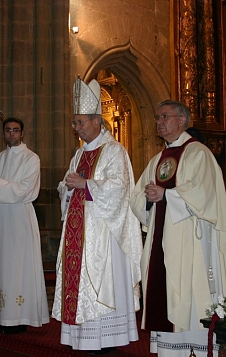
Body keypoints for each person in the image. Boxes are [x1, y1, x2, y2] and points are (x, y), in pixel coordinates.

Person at [129, 100, 226, 357]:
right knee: (163, 285)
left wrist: (167, 196)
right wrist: (148, 197)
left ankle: (195, 349)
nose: (159, 122)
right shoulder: (157, 159)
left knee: (190, 287)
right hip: (161, 239)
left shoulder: (199, 153)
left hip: (191, 241)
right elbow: (136, 198)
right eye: (157, 118)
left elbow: (205, 195)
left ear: (182, 120)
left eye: (164, 116)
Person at [52, 78, 143, 353]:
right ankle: (80, 338)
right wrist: (66, 187)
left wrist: (86, 185)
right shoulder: (79, 153)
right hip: (78, 233)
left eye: (80, 122)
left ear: (96, 121)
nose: (76, 128)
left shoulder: (115, 150)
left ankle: (107, 338)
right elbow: (67, 187)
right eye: (75, 123)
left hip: (103, 234)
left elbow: (120, 188)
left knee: (102, 281)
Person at [0, 117, 49, 334]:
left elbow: (27, 191)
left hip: (19, 223)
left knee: (18, 268)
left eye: (15, 130)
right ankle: (2, 316)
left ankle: (20, 318)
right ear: (3, 133)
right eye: (7, 130)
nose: (11, 134)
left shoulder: (31, 159)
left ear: (22, 133)